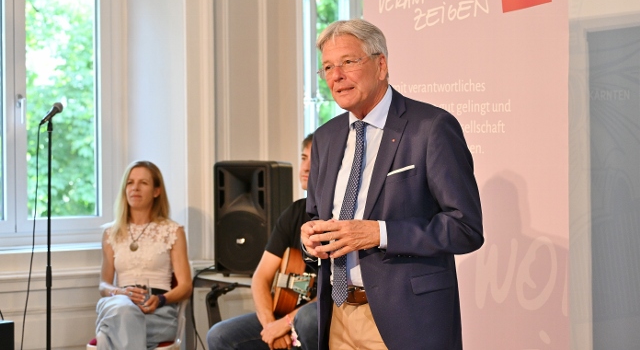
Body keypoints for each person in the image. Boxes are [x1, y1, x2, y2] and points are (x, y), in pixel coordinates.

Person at [300, 19, 484, 350]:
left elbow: (465, 227)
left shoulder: (431, 127)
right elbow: (314, 214)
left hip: (407, 321)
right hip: (338, 317)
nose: (336, 76)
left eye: (348, 62)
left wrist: (380, 233)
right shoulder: (325, 138)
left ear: (381, 65)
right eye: (327, 67)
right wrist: (310, 237)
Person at [207, 134, 318, 350]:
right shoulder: (295, 212)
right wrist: (270, 327)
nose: (305, 167)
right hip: (283, 315)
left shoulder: (342, 217)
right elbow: (260, 278)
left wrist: (286, 324)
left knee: (307, 319)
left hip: (318, 317)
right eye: (303, 158)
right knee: (219, 336)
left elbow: (333, 293)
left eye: (314, 160)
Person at [95, 160, 192, 349]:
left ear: (156, 191)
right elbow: (103, 285)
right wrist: (120, 292)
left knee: (106, 336)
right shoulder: (110, 233)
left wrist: (161, 299)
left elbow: (186, 286)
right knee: (123, 310)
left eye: (143, 183)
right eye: (130, 183)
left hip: (157, 311)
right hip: (118, 303)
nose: (135, 188)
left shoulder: (173, 231)